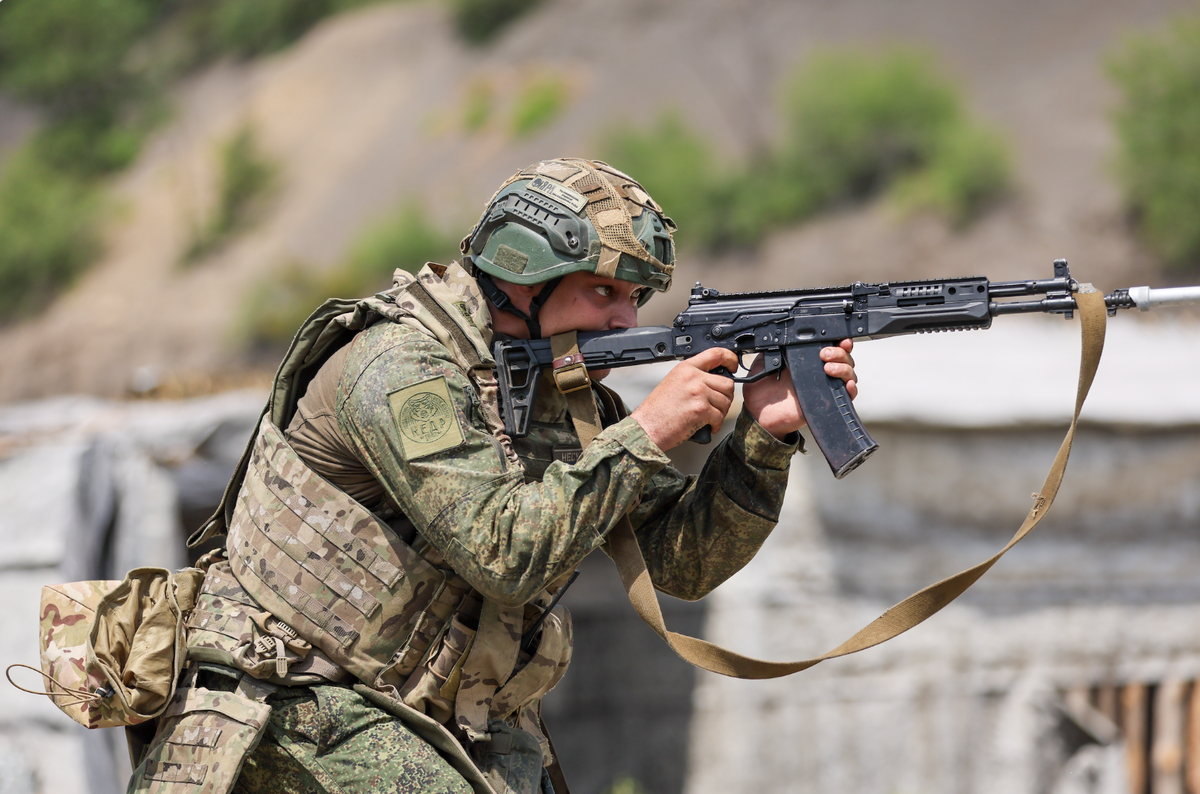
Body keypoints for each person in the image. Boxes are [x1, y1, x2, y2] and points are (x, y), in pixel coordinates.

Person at [131, 158, 857, 794]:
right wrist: (649, 431)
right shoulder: (400, 370)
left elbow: (683, 560)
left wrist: (761, 438)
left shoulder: (562, 400)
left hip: (425, 713)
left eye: (636, 297)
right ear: (524, 277)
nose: (627, 317)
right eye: (604, 292)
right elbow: (501, 553)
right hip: (293, 702)